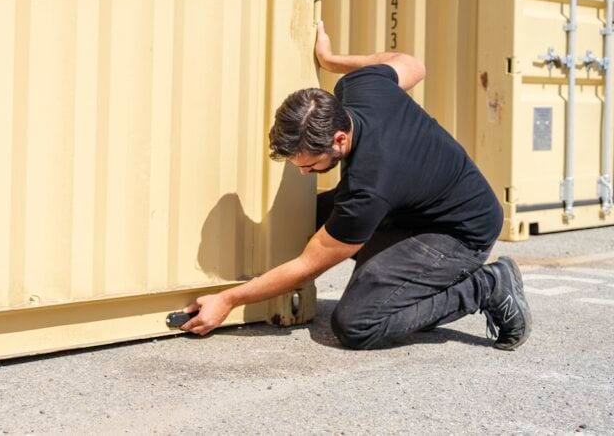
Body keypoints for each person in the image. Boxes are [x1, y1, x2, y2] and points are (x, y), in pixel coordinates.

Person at [180, 21, 531, 350]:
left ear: (339, 137)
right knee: (303, 215)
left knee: (358, 323)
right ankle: (414, 285)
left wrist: (228, 299)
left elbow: (309, 264)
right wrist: (332, 61)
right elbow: (412, 64)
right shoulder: (358, 85)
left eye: (310, 165)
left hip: (460, 232)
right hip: (414, 203)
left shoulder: (369, 187)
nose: (304, 173)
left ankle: (486, 286)